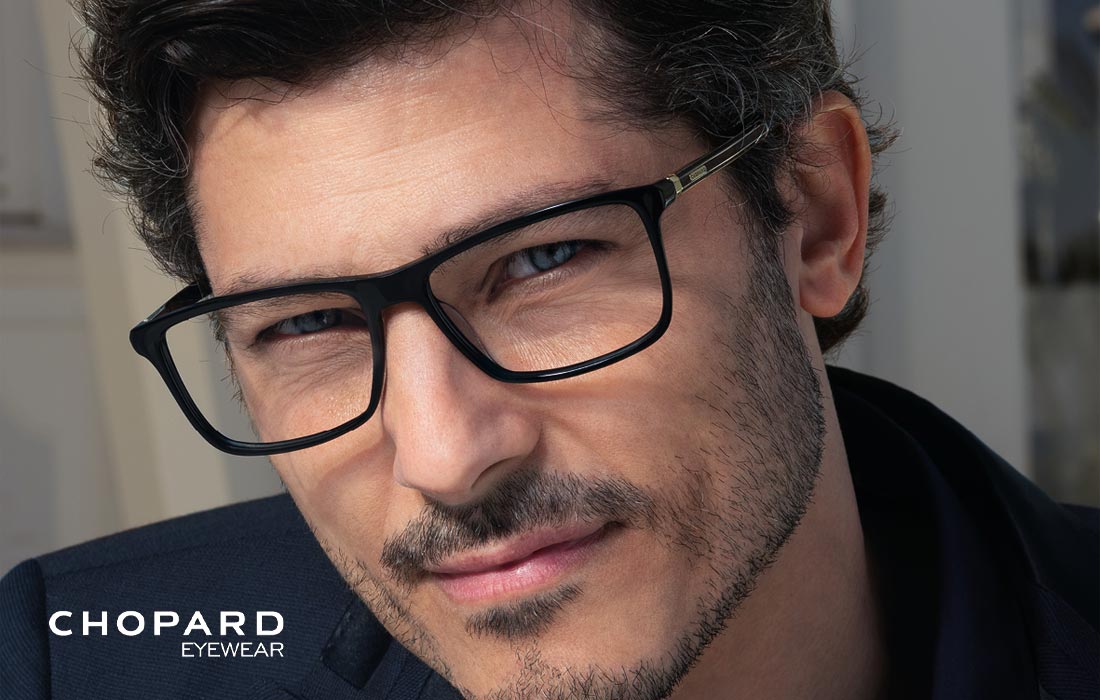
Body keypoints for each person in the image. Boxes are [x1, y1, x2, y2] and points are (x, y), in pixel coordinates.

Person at [1, 1, 1096, 698]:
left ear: (815, 216)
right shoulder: (79, 663)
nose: (444, 455)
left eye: (543, 260)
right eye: (305, 323)